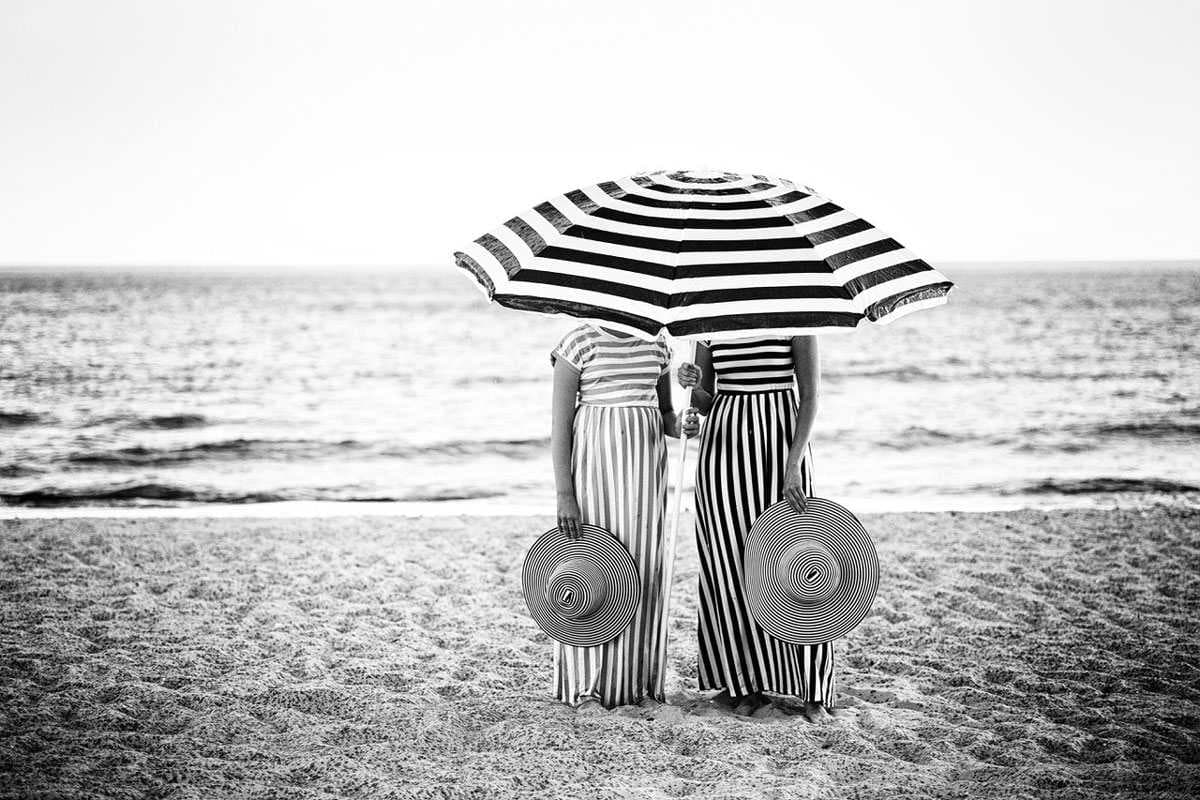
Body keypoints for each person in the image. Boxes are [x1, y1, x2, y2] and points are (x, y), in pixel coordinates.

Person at [677, 336, 835, 721]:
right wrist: (692, 384)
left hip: (781, 447)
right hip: (724, 451)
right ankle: (743, 685)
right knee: (727, 566)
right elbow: (705, 399)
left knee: (799, 563)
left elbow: (810, 397)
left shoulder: (796, 315)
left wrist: (794, 462)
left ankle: (814, 689)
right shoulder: (710, 319)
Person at [550, 323, 698, 711]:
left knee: (643, 568)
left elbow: (665, 414)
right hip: (595, 471)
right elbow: (560, 426)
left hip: (646, 472)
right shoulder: (578, 341)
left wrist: (683, 422)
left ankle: (632, 682)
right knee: (592, 571)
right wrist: (565, 494)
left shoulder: (658, 344)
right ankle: (586, 684)